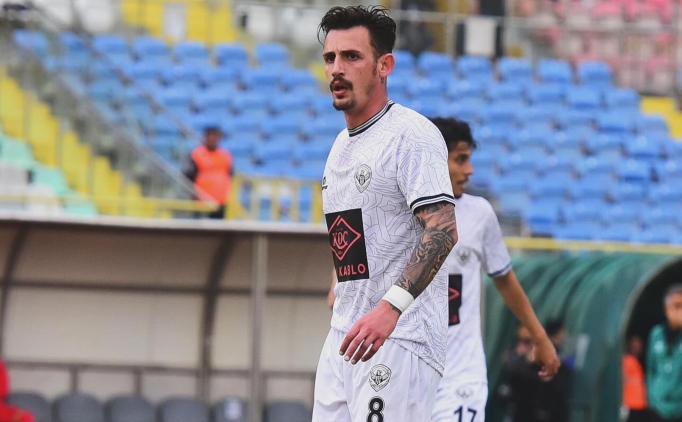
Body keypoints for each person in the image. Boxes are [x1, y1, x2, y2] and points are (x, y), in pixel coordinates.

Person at [313, 6, 459, 422]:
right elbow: (354, 236)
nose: (337, 69)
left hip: (399, 338)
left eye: (351, 57)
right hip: (345, 338)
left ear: (384, 65)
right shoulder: (340, 146)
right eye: (330, 58)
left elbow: (443, 229)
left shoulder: (412, 135)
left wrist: (390, 308)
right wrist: (340, 284)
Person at [422, 117, 560, 422]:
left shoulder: (480, 213)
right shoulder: (399, 211)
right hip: (408, 370)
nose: (470, 170)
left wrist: (539, 337)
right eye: (461, 159)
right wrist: (338, 280)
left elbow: (505, 279)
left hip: (461, 374)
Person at [646, 284, 682, 422]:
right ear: (666, 309)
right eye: (677, 306)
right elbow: (651, 368)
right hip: (658, 407)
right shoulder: (656, 334)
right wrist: (651, 399)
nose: (680, 311)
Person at [183, 126, 233, 219]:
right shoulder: (197, 154)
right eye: (210, 135)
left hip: (221, 201)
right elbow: (188, 176)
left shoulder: (225, 156)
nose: (212, 138)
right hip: (201, 202)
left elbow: (230, 175)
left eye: (215, 135)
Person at [623, 335, 649, 422]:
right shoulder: (626, 361)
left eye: (639, 346)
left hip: (640, 405)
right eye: (634, 346)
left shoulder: (638, 363)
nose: (637, 348)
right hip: (629, 405)